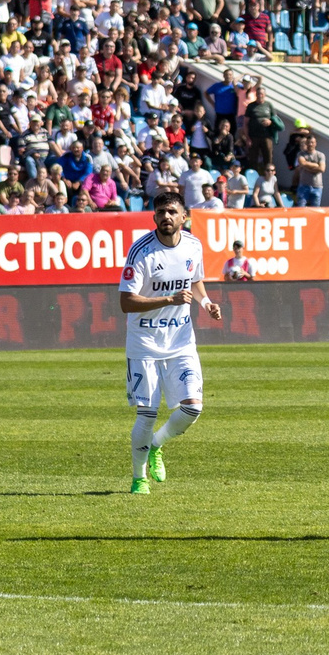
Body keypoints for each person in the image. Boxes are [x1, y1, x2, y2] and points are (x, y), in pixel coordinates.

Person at [119, 194, 220, 493]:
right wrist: (169, 300)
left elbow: (194, 280)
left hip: (180, 340)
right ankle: (139, 478)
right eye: (161, 211)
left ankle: (155, 445)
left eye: (172, 211)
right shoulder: (141, 252)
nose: (166, 216)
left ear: (184, 217)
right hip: (145, 344)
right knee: (147, 413)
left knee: (193, 408)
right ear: (154, 217)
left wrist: (207, 303)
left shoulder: (193, 245)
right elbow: (126, 302)